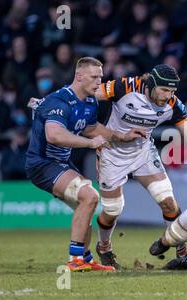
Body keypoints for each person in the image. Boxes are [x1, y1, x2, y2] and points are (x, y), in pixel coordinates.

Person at [94, 64, 187, 269]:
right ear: (151, 84)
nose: (167, 95)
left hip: (143, 152)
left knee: (169, 203)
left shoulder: (173, 104)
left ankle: (181, 252)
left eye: (172, 91)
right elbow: (88, 94)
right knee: (112, 210)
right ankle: (104, 247)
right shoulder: (125, 87)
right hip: (112, 151)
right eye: (164, 90)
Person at [25, 57, 144, 272]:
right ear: (79, 76)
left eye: (100, 76)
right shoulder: (59, 101)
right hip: (42, 164)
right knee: (89, 196)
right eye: (94, 77)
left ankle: (86, 258)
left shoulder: (90, 101)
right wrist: (90, 144)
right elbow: (54, 135)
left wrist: (121, 136)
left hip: (61, 162)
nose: (99, 81)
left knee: (86, 203)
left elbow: (91, 128)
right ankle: (75, 260)